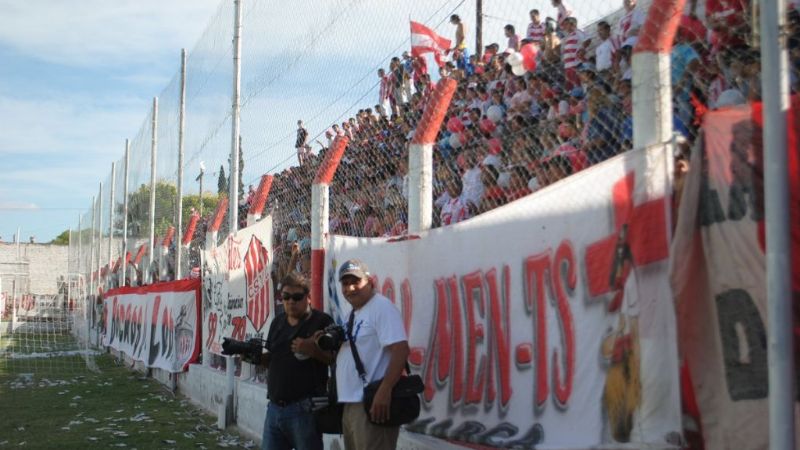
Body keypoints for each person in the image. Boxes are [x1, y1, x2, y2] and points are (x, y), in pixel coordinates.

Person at [336, 259, 410, 450]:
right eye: (345, 283)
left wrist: (384, 391)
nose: (350, 288)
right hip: (352, 404)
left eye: (356, 282)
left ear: (370, 282)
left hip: (371, 404)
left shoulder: (381, 307)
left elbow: (400, 349)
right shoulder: (352, 313)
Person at [260, 272, 334, 450]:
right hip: (274, 408)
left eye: (297, 297)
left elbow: (334, 359)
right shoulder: (277, 322)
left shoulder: (321, 321)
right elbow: (272, 359)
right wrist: (252, 356)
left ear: (308, 297)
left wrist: (313, 350)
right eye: (286, 296)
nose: (291, 301)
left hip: (305, 409)